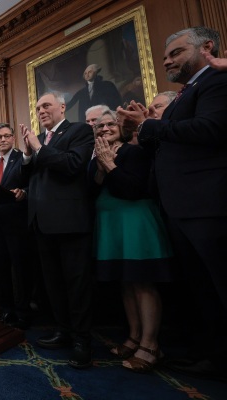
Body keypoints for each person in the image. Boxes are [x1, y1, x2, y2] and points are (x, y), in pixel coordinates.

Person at [117, 26, 227, 381]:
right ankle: (215, 356)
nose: (167, 60)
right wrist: (146, 130)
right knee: (201, 290)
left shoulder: (216, 82)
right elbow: (171, 146)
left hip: (209, 205)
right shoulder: (186, 93)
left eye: (176, 53)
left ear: (206, 47)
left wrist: (149, 126)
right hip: (180, 207)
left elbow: (211, 130)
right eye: (165, 56)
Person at [90, 110, 172, 372]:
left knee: (142, 283)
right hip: (111, 225)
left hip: (135, 223)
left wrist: (110, 165)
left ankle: (150, 345)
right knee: (126, 283)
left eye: (110, 124)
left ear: (121, 126)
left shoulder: (134, 151)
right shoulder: (98, 157)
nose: (104, 128)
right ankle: (134, 337)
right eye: (100, 125)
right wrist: (101, 166)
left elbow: (133, 189)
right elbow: (91, 190)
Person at [21, 92, 95, 369]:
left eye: (46, 105)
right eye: (38, 107)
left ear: (62, 107)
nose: (41, 110)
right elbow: (21, 178)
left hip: (70, 222)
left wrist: (39, 148)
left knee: (77, 284)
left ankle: (82, 340)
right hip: (41, 223)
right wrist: (28, 156)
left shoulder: (79, 131)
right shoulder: (38, 143)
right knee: (53, 284)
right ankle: (62, 330)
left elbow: (73, 165)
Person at [0, 123, 32, 329]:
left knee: (20, 268)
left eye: (7, 136)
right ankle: (7, 308)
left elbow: (32, 182)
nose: (3, 140)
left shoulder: (23, 159)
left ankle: (23, 311)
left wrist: (25, 193)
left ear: (13, 139)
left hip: (17, 222)